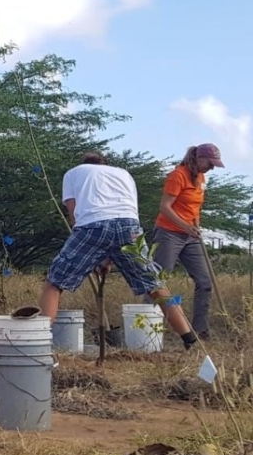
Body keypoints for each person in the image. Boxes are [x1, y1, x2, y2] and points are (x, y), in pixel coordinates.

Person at [38, 152, 203, 349]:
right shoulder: (123, 173)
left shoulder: (73, 173)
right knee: (155, 284)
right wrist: (105, 259)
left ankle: (38, 340)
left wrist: (90, 251)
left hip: (92, 226)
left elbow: (74, 214)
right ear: (106, 164)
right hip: (129, 227)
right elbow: (125, 213)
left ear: (84, 164)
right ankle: (190, 340)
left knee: (55, 282)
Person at [150, 144, 224, 340]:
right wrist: (184, 226)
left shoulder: (200, 178)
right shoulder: (178, 175)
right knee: (158, 280)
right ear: (198, 158)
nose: (212, 167)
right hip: (168, 233)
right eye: (210, 163)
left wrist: (196, 226)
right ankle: (146, 325)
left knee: (205, 281)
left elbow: (195, 207)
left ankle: (200, 330)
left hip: (191, 235)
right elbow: (165, 207)